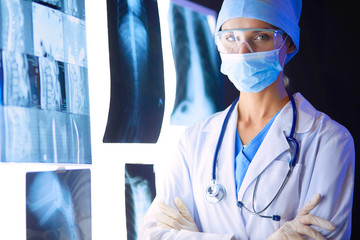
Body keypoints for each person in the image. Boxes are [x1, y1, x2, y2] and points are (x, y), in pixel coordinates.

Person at [139, 0, 355, 239]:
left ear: (289, 43)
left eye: (260, 37)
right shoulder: (193, 140)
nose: (242, 52)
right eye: (231, 37)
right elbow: (155, 233)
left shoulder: (329, 141)